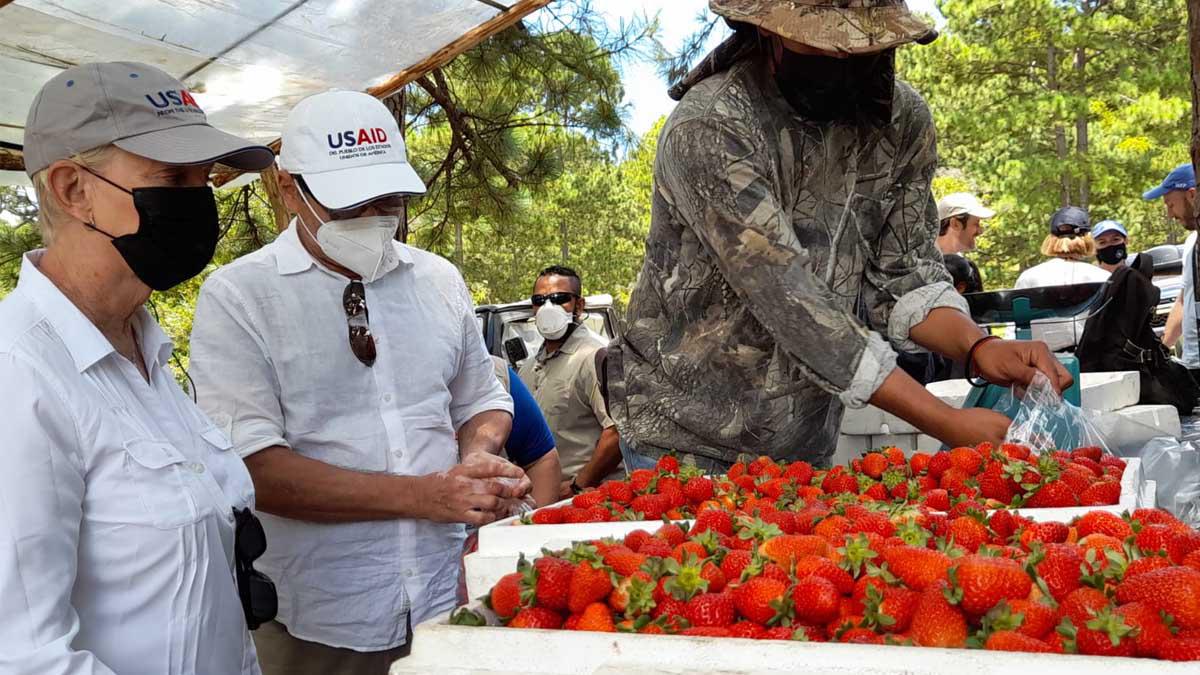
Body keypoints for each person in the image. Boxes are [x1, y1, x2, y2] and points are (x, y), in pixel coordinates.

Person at [609, 0, 1071, 473]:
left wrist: (979, 347)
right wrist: (946, 421)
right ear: (768, 31)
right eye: (824, 45)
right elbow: (792, 304)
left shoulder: (900, 122)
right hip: (682, 445)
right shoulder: (712, 124)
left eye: (864, 46)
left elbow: (905, 273)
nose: (844, 61)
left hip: (803, 447)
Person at [188, 90, 528, 674]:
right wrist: (426, 496)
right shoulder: (242, 297)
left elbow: (483, 399)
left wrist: (477, 456)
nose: (373, 216)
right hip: (322, 617)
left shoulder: (439, 280)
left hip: (449, 595)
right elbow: (254, 469)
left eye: (386, 198)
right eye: (350, 204)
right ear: (290, 187)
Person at [0, 62, 274, 674]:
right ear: (73, 189)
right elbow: (24, 658)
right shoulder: (18, 376)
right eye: (172, 177)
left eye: (204, 179)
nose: (198, 201)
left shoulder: (144, 351)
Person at [519, 265, 622, 497]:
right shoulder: (527, 368)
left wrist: (580, 484)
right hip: (541, 502)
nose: (548, 307)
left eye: (559, 298)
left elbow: (616, 432)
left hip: (587, 502)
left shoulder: (594, 357)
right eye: (539, 300)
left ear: (579, 305)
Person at [1014, 206, 1111, 352]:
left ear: (1051, 239)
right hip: (1091, 361)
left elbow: (1016, 328)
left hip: (1042, 363)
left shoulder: (1028, 276)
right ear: (1087, 239)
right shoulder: (1102, 277)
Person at [489, 355, 562, 507]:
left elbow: (541, 458)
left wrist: (530, 525)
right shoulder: (529, 366)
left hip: (494, 524)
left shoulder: (495, 374)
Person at [1150, 163, 1199, 373]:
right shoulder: (1190, 244)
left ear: (1192, 195)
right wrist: (1162, 349)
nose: (1170, 214)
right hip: (1192, 365)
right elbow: (1183, 299)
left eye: (1171, 204)